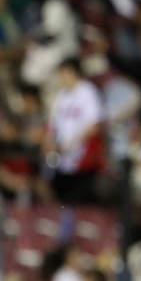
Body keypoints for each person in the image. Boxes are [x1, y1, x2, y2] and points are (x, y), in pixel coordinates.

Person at [45, 57, 104, 204]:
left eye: (62, 73)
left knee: (80, 202)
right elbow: (52, 125)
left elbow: (94, 125)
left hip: (82, 158)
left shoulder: (87, 91)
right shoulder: (61, 96)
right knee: (62, 200)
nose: (60, 77)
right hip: (61, 158)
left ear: (71, 72)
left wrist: (71, 144)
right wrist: (50, 143)